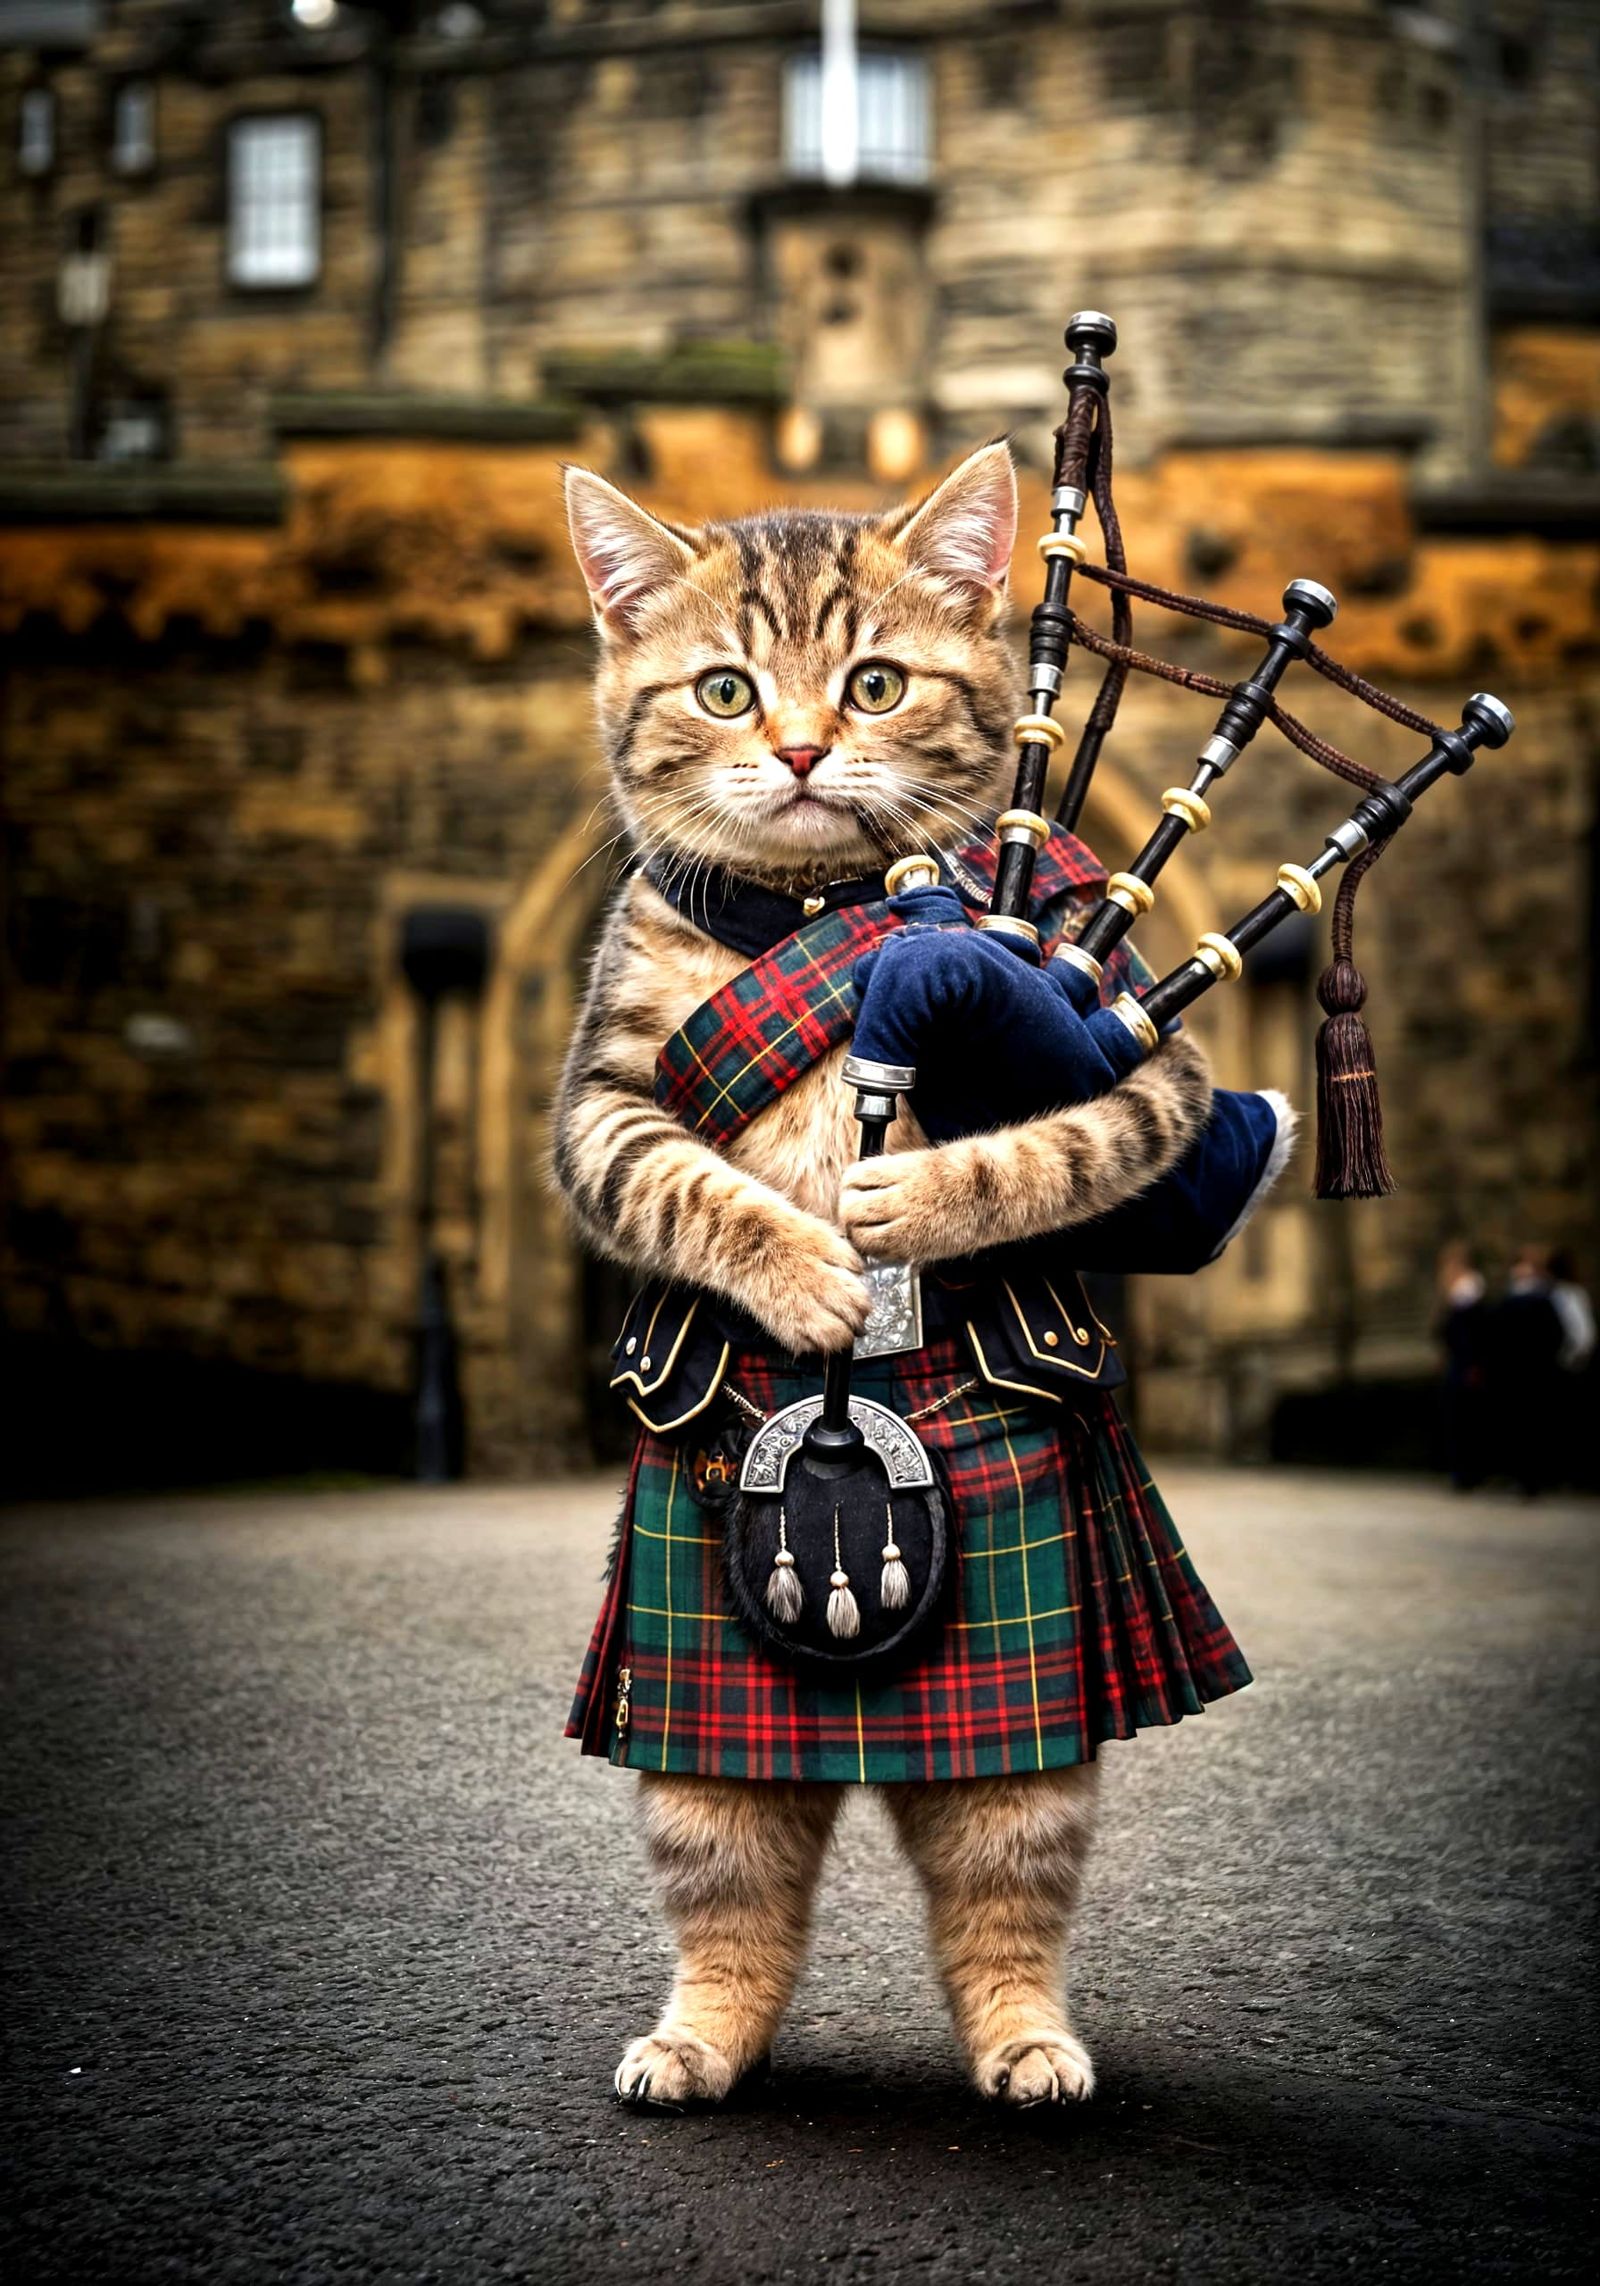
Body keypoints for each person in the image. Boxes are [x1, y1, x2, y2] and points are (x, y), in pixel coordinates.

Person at [1490, 1246, 1567, 1498]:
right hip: (1515, 1376)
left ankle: (1537, 1478)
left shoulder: (1542, 1299)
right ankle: (1521, 1477)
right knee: (1518, 1428)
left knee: (1537, 1426)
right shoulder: (1509, 1301)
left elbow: (1557, 1335)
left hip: (1537, 1374)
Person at [1434, 1240, 1490, 1491]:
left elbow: (1469, 1334)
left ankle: (1468, 1474)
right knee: (1459, 1421)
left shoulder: (1469, 1293)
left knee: (1467, 1421)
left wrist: (1472, 1365)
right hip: (1460, 1365)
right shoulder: (1458, 1294)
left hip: (1467, 1367)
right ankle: (1463, 1473)